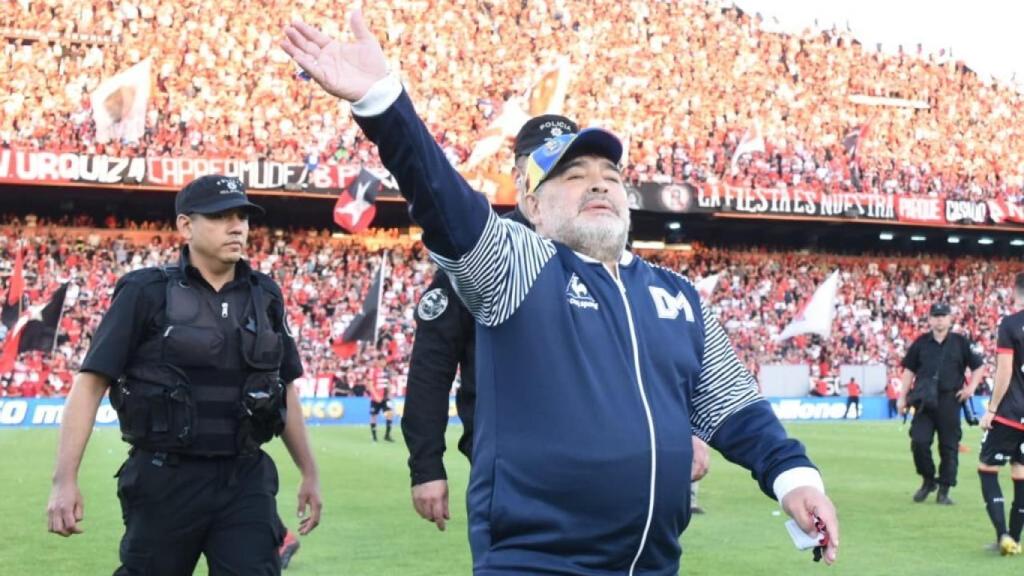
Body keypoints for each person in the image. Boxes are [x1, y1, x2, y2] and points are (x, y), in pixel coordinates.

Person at [282, 12, 839, 574]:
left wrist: (795, 480)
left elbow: (735, 409)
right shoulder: (521, 268)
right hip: (536, 563)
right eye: (572, 175)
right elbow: (446, 204)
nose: (598, 181)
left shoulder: (677, 294)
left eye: (609, 173)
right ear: (532, 205)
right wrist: (384, 102)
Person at [45, 175, 323, 575]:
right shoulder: (146, 292)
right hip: (165, 479)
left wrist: (310, 472)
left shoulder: (265, 296)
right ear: (185, 226)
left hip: (244, 478)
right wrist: (64, 480)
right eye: (220, 216)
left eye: (242, 216)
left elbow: (285, 390)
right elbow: (89, 386)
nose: (237, 227)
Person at [403, 113, 582, 530]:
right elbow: (432, 364)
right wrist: (425, 466)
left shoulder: (598, 252)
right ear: (518, 175)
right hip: (511, 468)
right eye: (545, 165)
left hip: (601, 465)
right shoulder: (481, 252)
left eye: (567, 167)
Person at [898, 302, 985, 506]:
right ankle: (928, 480)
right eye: (936, 315)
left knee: (949, 447)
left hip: (950, 399)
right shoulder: (920, 343)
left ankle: (944, 489)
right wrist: (902, 397)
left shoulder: (960, 342)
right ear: (929, 319)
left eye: (943, 315)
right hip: (924, 401)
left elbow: (978, 366)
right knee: (919, 441)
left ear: (950, 318)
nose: (939, 319)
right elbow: (909, 371)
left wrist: (970, 388)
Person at [977, 272, 1024, 556]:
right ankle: (1015, 539)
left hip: (1011, 413)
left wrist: (991, 410)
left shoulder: (1010, 324)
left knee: (987, 468)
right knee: (1020, 471)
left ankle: (1003, 535)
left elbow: (1005, 371)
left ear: (1016, 291)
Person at [368, 357, 394, 442]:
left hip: (386, 398)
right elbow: (370, 385)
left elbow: (389, 384)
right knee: (373, 416)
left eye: (385, 360)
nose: (385, 362)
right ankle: (374, 437)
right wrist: (376, 396)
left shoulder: (387, 372)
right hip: (376, 398)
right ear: (379, 361)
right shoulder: (373, 371)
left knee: (389, 415)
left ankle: (387, 435)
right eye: (383, 360)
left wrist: (390, 394)